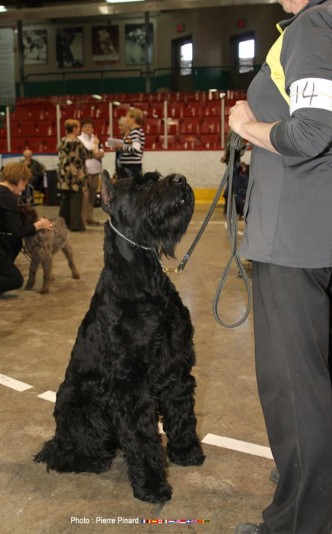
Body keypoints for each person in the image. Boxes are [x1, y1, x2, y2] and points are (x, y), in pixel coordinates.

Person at [228, 0, 332, 532]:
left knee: (294, 387)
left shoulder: (314, 24)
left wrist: (247, 126)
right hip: (319, 230)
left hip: (295, 238)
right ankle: (317, 483)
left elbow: (310, 133)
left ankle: (301, 520)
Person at [0, 163, 53, 295]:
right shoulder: (7, 196)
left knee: (14, 242)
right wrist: (40, 224)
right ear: (20, 180)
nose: (23, 189)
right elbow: (18, 231)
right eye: (25, 184)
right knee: (15, 280)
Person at [57, 119, 95, 232]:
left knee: (65, 200)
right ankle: (75, 224)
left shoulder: (63, 140)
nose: (79, 129)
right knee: (75, 199)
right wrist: (95, 146)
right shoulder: (76, 142)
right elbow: (86, 154)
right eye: (78, 127)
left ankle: (62, 224)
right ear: (74, 129)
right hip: (74, 175)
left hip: (63, 173)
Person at [77, 118, 104, 226]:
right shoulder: (79, 140)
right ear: (81, 128)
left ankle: (90, 217)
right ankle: (83, 218)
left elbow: (101, 154)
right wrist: (94, 151)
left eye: (90, 126)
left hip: (96, 170)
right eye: (85, 126)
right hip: (84, 171)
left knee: (92, 196)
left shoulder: (96, 139)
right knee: (85, 196)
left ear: (93, 128)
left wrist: (94, 152)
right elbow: (88, 154)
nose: (88, 128)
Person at [113, 107, 145, 179]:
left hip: (131, 167)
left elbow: (135, 149)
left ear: (133, 118)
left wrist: (122, 146)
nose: (126, 119)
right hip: (129, 166)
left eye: (128, 117)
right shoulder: (134, 132)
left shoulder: (135, 132)